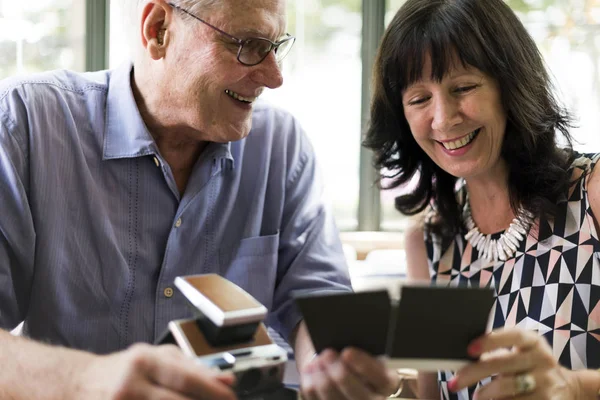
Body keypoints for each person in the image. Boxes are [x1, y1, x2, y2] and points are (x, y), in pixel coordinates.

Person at [0, 0, 398, 398]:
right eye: (247, 44)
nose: (275, 77)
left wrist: (332, 366)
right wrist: (84, 380)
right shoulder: (26, 125)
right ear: (158, 30)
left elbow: (316, 300)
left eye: (275, 46)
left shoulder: (280, 146)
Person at [364, 0, 600, 399]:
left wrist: (573, 387)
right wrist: (376, 384)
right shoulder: (428, 240)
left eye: (463, 87)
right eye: (419, 99)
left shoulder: (591, 194)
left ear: (511, 86)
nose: (443, 118)